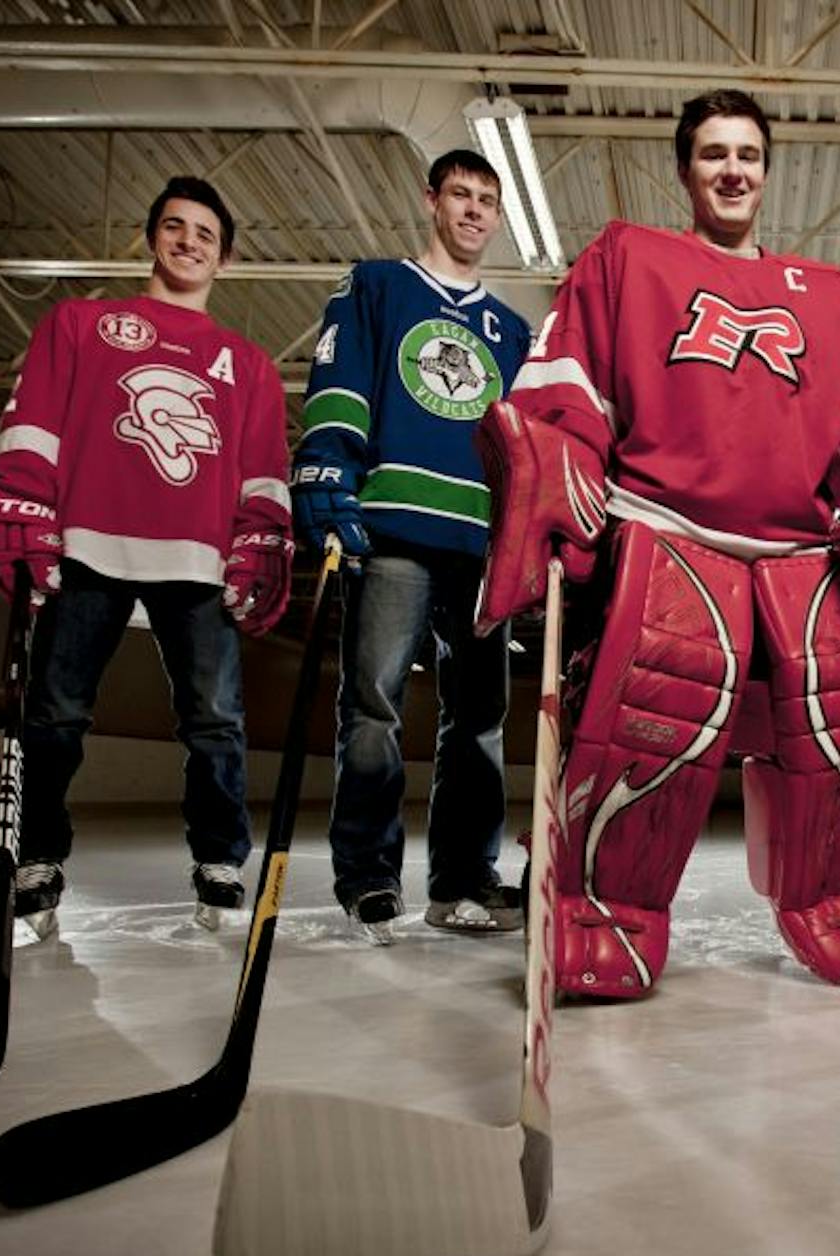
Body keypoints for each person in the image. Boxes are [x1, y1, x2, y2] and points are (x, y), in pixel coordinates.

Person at [472, 88, 840, 999]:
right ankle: (598, 907)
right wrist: (555, 464)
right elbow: (567, 384)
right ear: (686, 169)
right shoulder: (629, 259)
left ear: (766, 167)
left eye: (747, 153)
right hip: (669, 534)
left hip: (801, 551)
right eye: (713, 154)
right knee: (647, 727)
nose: (732, 169)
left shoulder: (831, 297)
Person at [0, 175, 291, 937]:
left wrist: (259, 539)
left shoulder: (246, 363)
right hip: (88, 545)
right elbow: (35, 423)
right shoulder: (81, 324)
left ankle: (220, 861)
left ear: (225, 260)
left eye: (206, 236)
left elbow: (261, 466)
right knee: (55, 714)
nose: (189, 242)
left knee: (215, 720)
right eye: (176, 227)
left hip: (199, 560)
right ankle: (38, 858)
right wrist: (22, 505)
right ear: (153, 238)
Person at [289, 150, 534, 943]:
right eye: (460, 194)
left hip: (481, 544)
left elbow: (525, 444)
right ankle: (368, 878)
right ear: (431, 200)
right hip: (391, 523)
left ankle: (461, 881)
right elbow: (344, 381)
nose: (473, 211)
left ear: (497, 216)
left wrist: (531, 534)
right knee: (374, 705)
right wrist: (329, 459)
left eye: (486, 201)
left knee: (481, 721)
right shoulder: (376, 285)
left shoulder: (512, 330)